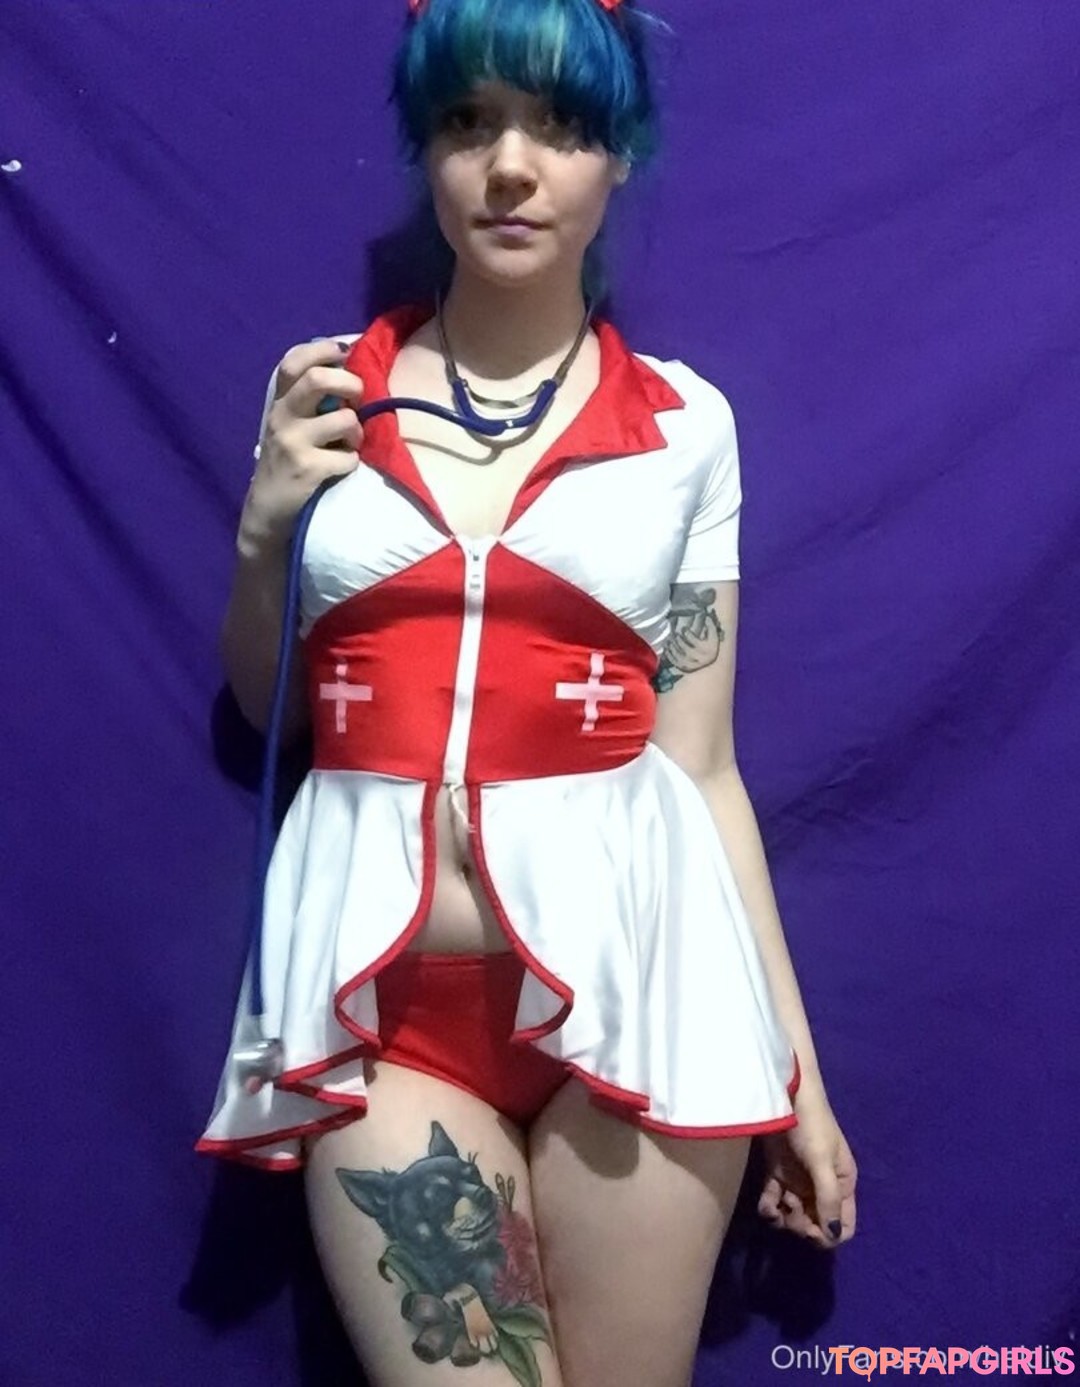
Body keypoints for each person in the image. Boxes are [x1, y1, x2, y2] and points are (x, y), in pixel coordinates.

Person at [197, 0, 858, 1382]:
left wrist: (797, 1073)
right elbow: (272, 714)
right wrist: (263, 537)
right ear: (427, 152)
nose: (511, 166)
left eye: (559, 126)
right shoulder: (324, 398)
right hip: (384, 1022)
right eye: (469, 122)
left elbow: (704, 767)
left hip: (646, 999)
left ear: (619, 157)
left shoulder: (687, 428)